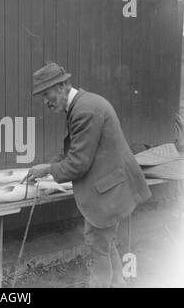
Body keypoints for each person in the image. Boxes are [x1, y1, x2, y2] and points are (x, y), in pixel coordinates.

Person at [26, 62, 151, 288]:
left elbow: (77, 165)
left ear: (63, 86)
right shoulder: (83, 104)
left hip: (109, 190)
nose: (45, 102)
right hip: (111, 184)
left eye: (47, 94)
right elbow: (73, 150)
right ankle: (118, 284)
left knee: (97, 244)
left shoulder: (84, 110)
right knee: (104, 242)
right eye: (42, 96)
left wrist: (47, 170)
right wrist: (48, 165)